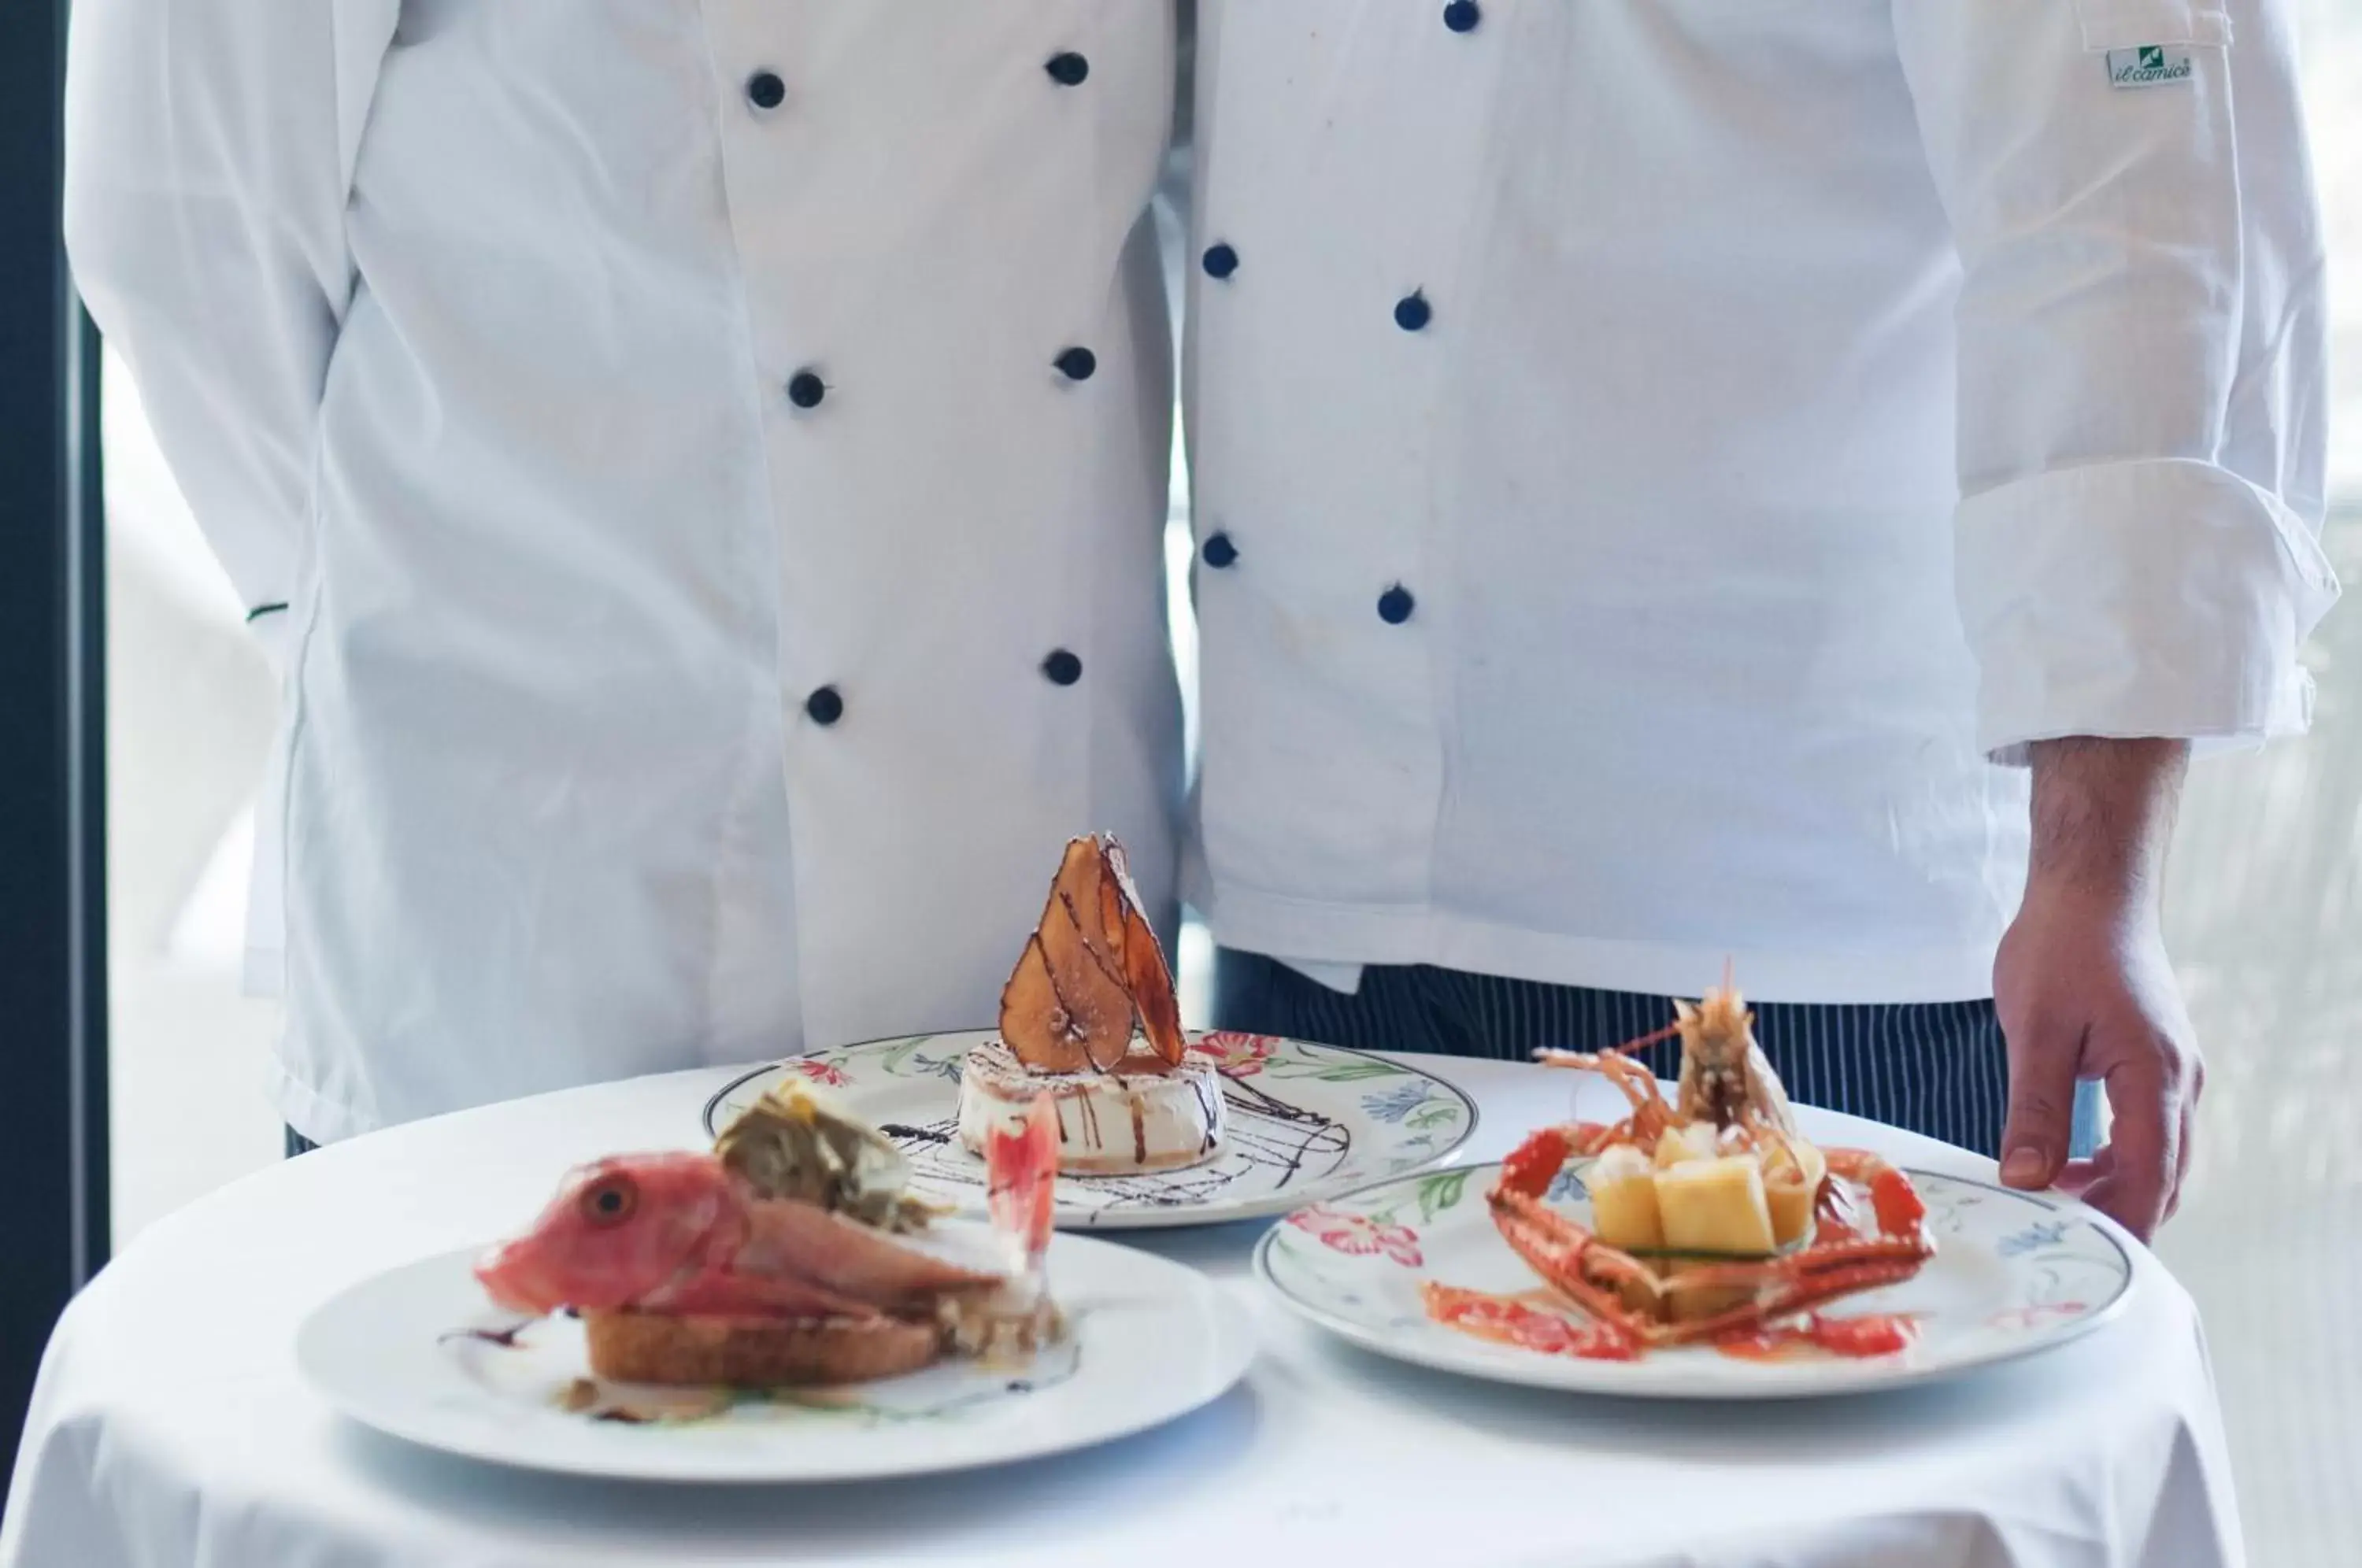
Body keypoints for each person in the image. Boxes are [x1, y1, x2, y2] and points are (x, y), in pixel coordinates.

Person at [1181, 0, 2334, 1240]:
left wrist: (2095, 870)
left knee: (1850, 1430)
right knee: (1318, 1431)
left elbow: (2127, 218)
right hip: (1311, 910)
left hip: (1807, 933)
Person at [66, 3, 1187, 1148]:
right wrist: (374, 585)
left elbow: (1228, 181)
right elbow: (179, 231)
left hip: (1012, 870)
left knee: (1055, 1320)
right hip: (545, 877)